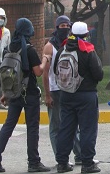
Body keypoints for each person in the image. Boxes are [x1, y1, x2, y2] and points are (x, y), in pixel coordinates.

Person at [0, 18, 50, 173]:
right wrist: (45, 59)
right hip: (29, 94)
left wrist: (5, 93)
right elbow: (38, 71)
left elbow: (6, 73)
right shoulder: (29, 49)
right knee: (32, 128)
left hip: (14, 94)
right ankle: (33, 162)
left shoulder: (8, 48)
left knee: (8, 126)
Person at [55, 22, 103, 174]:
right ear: (86, 34)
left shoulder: (62, 48)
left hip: (66, 95)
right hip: (86, 95)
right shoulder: (88, 50)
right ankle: (87, 163)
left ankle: (62, 163)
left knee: (66, 129)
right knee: (87, 129)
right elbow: (99, 74)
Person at [42, 15, 84, 164]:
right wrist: (47, 95)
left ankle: (80, 155)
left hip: (68, 89)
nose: (65, 28)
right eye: (62, 26)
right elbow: (45, 73)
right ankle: (60, 158)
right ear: (57, 27)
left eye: (67, 26)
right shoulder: (50, 46)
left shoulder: (70, 44)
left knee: (72, 124)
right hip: (54, 90)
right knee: (56, 126)